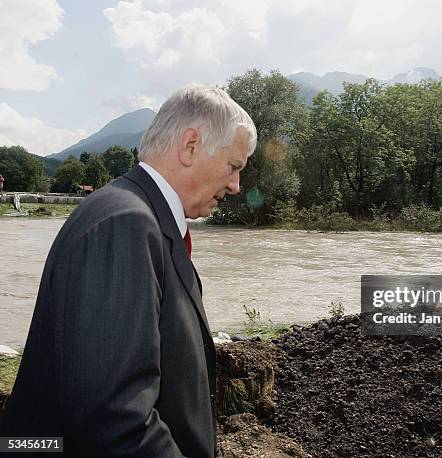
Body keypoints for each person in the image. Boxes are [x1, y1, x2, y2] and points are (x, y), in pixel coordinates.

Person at [0, 85, 257, 457]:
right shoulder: (125, 224)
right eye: (233, 167)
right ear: (190, 146)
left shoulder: (142, 217)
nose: (236, 186)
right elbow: (114, 420)